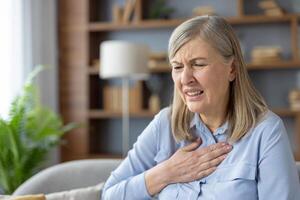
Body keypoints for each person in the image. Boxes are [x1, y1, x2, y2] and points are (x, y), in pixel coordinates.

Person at [101, 15, 300, 200]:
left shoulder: (266, 131)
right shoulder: (164, 124)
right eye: (177, 67)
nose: (185, 79)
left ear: (232, 69)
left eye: (198, 64)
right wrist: (166, 173)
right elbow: (109, 194)